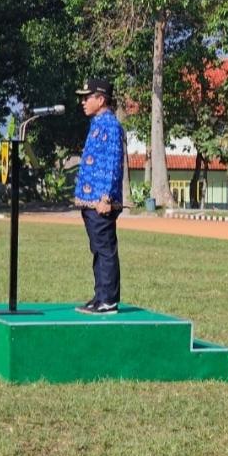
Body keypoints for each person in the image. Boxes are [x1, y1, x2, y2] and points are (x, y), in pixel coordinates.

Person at [74, 78, 125, 315]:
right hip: (90, 201)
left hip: (101, 202)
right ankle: (100, 296)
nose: (83, 102)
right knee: (98, 249)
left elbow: (112, 162)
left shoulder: (110, 125)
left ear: (101, 99)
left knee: (105, 250)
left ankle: (108, 300)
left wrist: (105, 198)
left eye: (87, 97)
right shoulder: (98, 123)